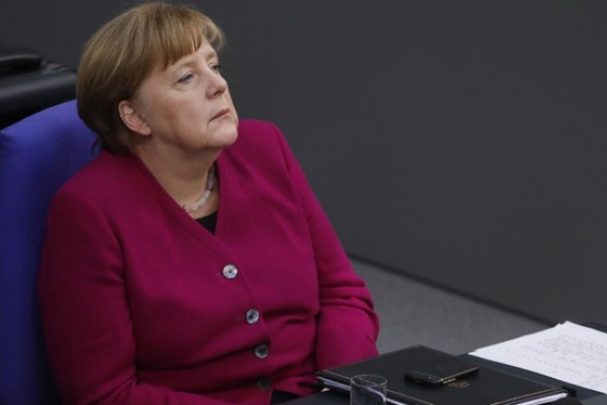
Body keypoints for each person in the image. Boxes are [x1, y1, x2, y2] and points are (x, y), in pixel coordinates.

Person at [37, 3, 379, 404]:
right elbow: (105, 393)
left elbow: (341, 293)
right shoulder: (88, 211)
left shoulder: (265, 149)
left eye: (214, 66)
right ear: (135, 117)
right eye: (186, 77)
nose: (218, 85)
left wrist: (345, 391)